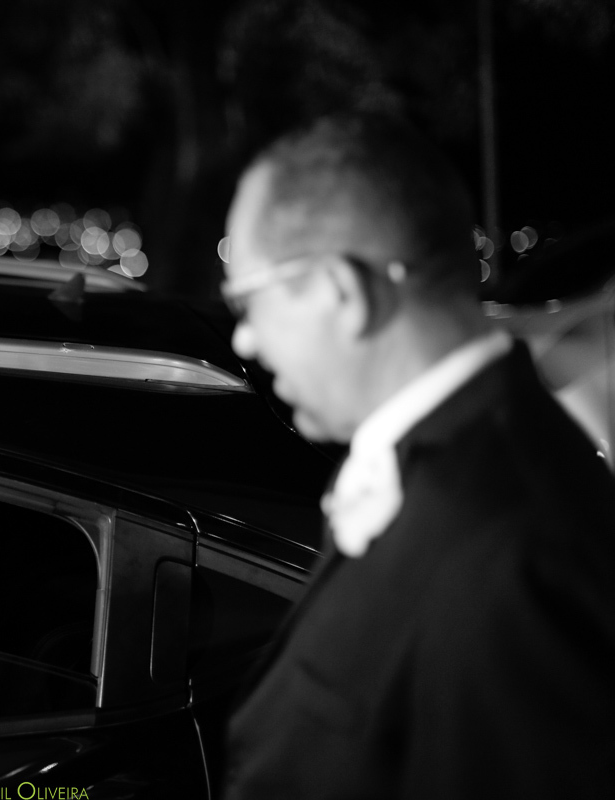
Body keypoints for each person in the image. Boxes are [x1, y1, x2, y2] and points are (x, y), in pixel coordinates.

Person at [218, 114, 615, 798]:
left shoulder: (513, 545)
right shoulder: (450, 465)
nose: (246, 340)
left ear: (340, 292)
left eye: (249, 302)